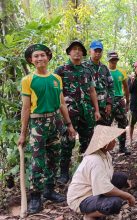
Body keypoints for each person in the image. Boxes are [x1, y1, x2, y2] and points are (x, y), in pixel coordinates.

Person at [18, 44, 76, 214]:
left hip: (55, 121)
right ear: (31, 60)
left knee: (54, 157)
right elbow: (26, 108)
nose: (39, 58)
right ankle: (35, 196)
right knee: (37, 160)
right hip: (38, 124)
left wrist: (69, 124)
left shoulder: (56, 78)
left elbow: (62, 103)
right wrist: (23, 133)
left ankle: (49, 190)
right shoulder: (28, 80)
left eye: (42, 55)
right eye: (36, 56)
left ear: (48, 57)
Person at [55, 40, 101, 184]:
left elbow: (92, 90)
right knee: (67, 142)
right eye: (74, 49)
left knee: (87, 142)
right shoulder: (61, 71)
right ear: (69, 52)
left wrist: (97, 110)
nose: (77, 52)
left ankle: (84, 170)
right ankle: (64, 173)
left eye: (80, 50)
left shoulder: (87, 70)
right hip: (69, 113)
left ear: (83, 53)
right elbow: (57, 93)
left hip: (86, 111)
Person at [67, 125, 135, 220]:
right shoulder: (95, 161)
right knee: (114, 203)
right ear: (105, 144)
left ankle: (98, 205)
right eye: (112, 140)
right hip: (81, 198)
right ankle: (90, 215)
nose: (115, 142)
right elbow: (106, 190)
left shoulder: (106, 154)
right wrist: (128, 196)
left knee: (121, 177)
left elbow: (107, 176)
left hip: (94, 189)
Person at [85, 40, 114, 126]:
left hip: (103, 107)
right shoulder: (84, 67)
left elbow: (111, 86)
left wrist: (109, 103)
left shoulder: (104, 68)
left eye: (99, 51)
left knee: (103, 134)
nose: (97, 53)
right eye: (95, 51)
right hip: (89, 107)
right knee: (89, 135)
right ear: (90, 51)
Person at [107, 51, 131, 155]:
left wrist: (127, 102)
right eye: (112, 60)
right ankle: (106, 148)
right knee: (107, 125)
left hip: (120, 99)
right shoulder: (105, 71)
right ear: (108, 60)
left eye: (115, 59)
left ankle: (122, 147)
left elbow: (125, 87)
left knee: (122, 124)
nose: (114, 62)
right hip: (108, 100)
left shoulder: (121, 72)